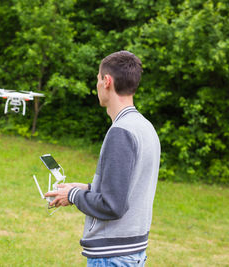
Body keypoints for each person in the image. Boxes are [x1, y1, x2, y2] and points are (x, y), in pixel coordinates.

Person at [45, 51, 161, 267]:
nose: (97, 85)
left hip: (113, 257)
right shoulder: (145, 127)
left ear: (107, 81)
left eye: (98, 79)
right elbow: (127, 189)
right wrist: (88, 188)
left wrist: (73, 195)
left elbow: (112, 205)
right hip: (132, 253)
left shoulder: (121, 131)